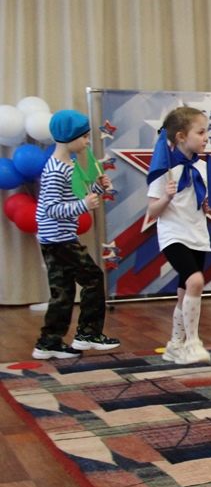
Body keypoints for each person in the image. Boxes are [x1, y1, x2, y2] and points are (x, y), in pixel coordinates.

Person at [32, 109, 120, 359]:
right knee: (93, 278)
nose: (87, 142)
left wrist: (96, 188)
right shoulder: (56, 170)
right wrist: (83, 206)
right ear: (68, 137)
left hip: (58, 238)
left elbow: (75, 195)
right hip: (58, 239)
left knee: (63, 291)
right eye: (84, 137)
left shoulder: (67, 164)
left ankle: (48, 342)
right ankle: (88, 334)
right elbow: (50, 209)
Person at [146, 107, 211, 365]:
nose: (206, 137)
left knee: (185, 293)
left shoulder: (203, 167)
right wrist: (167, 197)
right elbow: (153, 211)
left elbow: (200, 201)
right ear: (181, 137)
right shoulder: (164, 170)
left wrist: (206, 205)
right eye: (201, 132)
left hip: (197, 235)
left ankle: (174, 345)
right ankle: (192, 343)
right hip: (174, 236)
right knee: (195, 281)